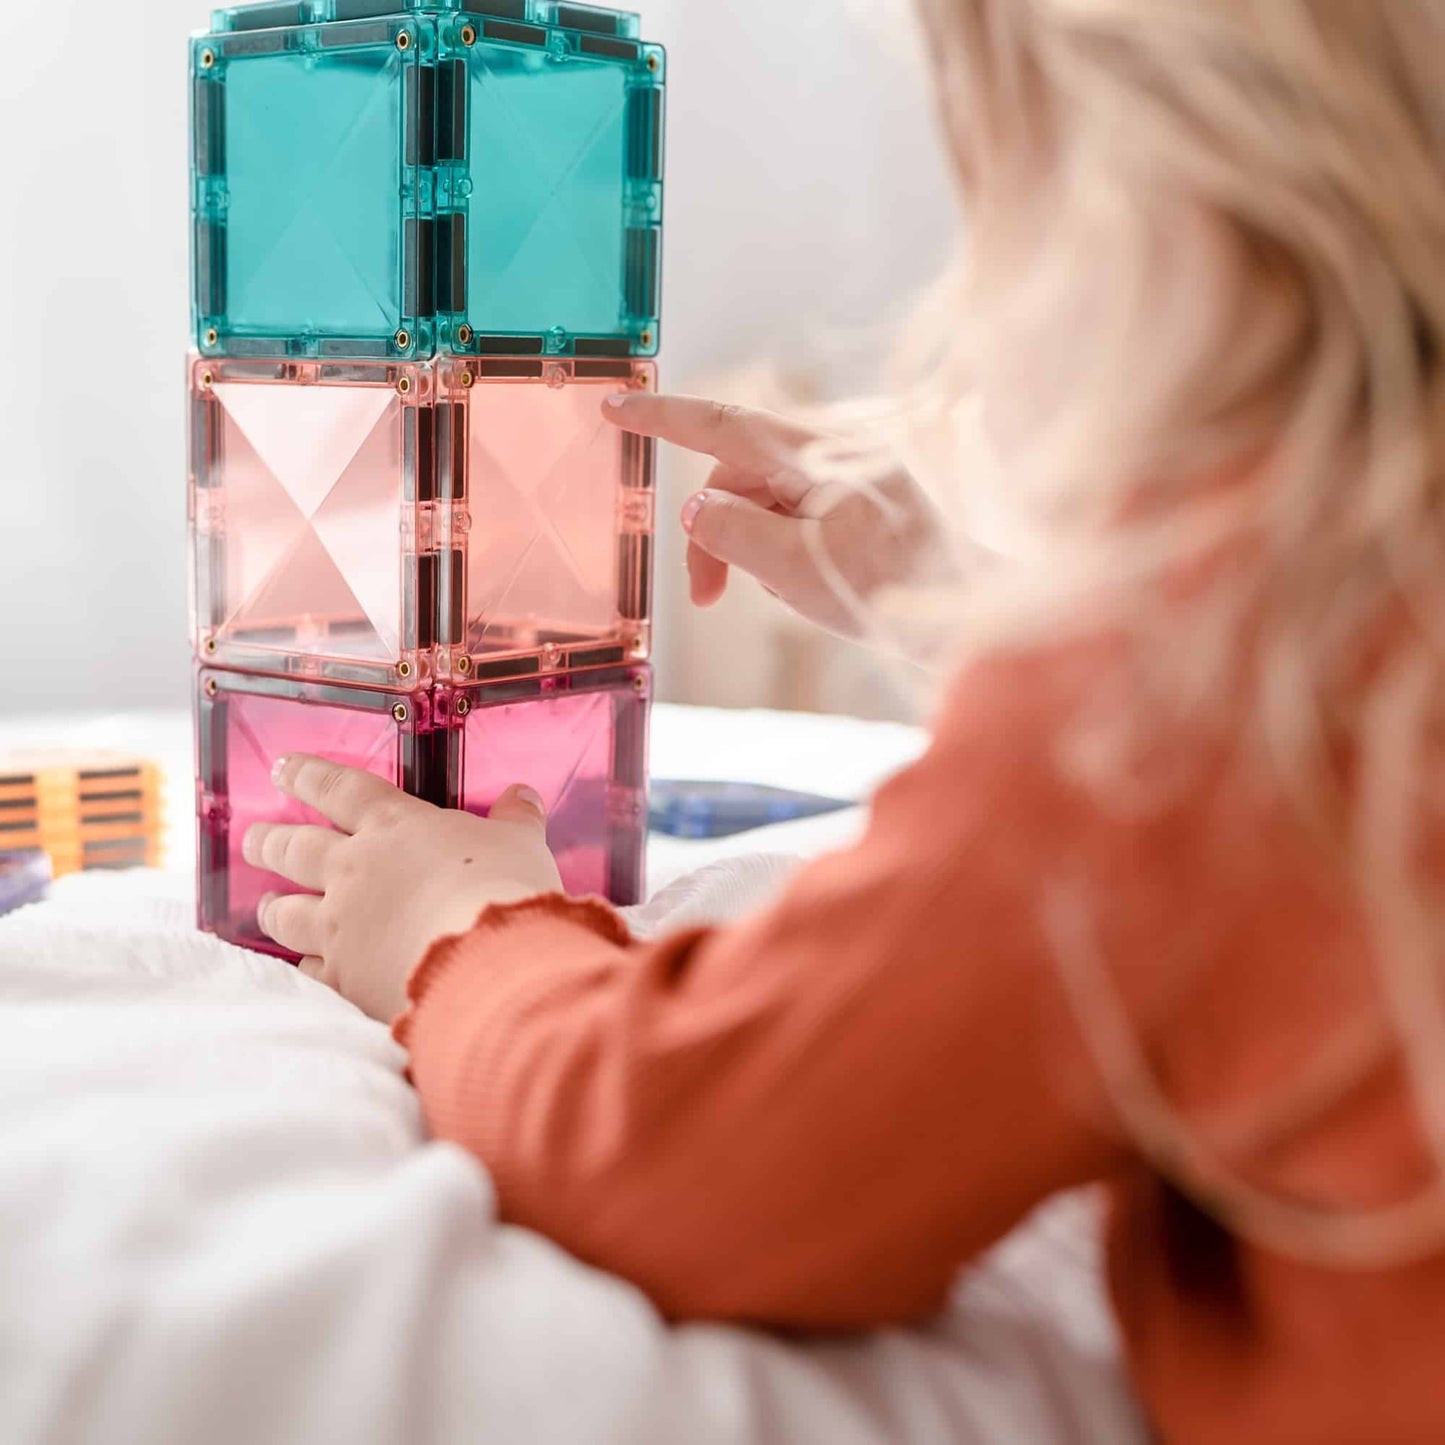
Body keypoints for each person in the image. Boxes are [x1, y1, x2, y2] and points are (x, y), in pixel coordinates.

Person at [242, 3, 1445, 1439]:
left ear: (1109, 175)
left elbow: (693, 1156)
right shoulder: (1287, 650)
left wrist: (455, 933)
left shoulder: (1168, 699)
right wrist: (966, 594)